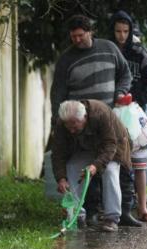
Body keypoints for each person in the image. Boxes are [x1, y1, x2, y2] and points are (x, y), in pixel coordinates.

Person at [50, 14, 141, 227]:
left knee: (110, 170)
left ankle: (114, 216)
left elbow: (125, 74)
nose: (77, 40)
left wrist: (120, 93)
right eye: (73, 36)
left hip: (106, 118)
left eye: (80, 35)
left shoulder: (109, 48)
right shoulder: (66, 59)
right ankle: (77, 214)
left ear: (90, 32)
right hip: (77, 119)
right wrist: (60, 119)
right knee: (75, 169)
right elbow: (58, 92)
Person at [52, 100, 132, 232]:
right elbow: (58, 153)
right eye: (68, 127)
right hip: (87, 148)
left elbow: (110, 145)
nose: (71, 131)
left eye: (75, 126)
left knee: (110, 171)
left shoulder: (100, 113)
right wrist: (61, 178)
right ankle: (77, 214)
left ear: (84, 117)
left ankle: (111, 218)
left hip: (113, 147)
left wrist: (96, 166)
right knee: (72, 167)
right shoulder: (62, 123)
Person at [109, 10, 147, 223]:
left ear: (130, 32)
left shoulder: (140, 52)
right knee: (112, 159)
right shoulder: (106, 50)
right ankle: (111, 209)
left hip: (135, 111)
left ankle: (142, 207)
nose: (121, 35)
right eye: (118, 31)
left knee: (139, 162)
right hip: (110, 111)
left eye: (125, 31)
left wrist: (138, 99)